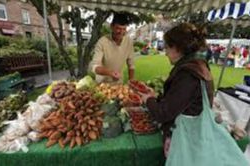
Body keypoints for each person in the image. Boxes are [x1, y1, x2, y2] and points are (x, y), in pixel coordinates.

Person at [139, 23, 248, 166]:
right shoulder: (198, 65)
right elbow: (180, 101)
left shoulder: (188, 74)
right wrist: (157, 97)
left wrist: (149, 100)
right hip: (194, 132)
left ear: (178, 48)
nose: (165, 52)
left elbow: (163, 113)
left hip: (186, 138)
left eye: (167, 47)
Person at [89, 13, 135, 83]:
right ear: (111, 27)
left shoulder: (129, 42)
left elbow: (131, 65)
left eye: (124, 29)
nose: (121, 32)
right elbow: (95, 67)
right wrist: (110, 73)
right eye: (118, 28)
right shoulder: (102, 42)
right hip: (102, 83)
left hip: (119, 83)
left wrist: (131, 81)